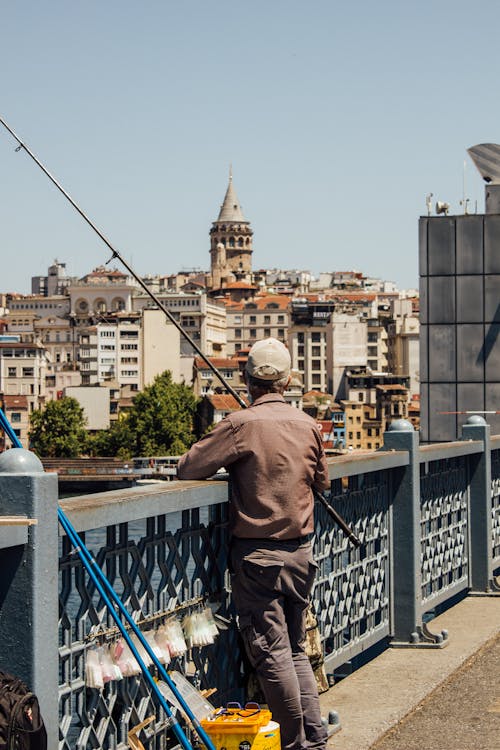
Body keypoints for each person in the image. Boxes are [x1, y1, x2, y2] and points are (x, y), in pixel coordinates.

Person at [177, 338, 329, 750]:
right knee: (295, 650)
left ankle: (295, 743)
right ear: (288, 380)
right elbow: (321, 482)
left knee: (272, 653)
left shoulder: (241, 424)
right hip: (301, 553)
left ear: (248, 381)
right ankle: (314, 738)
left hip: (258, 557)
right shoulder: (308, 425)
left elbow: (188, 467)